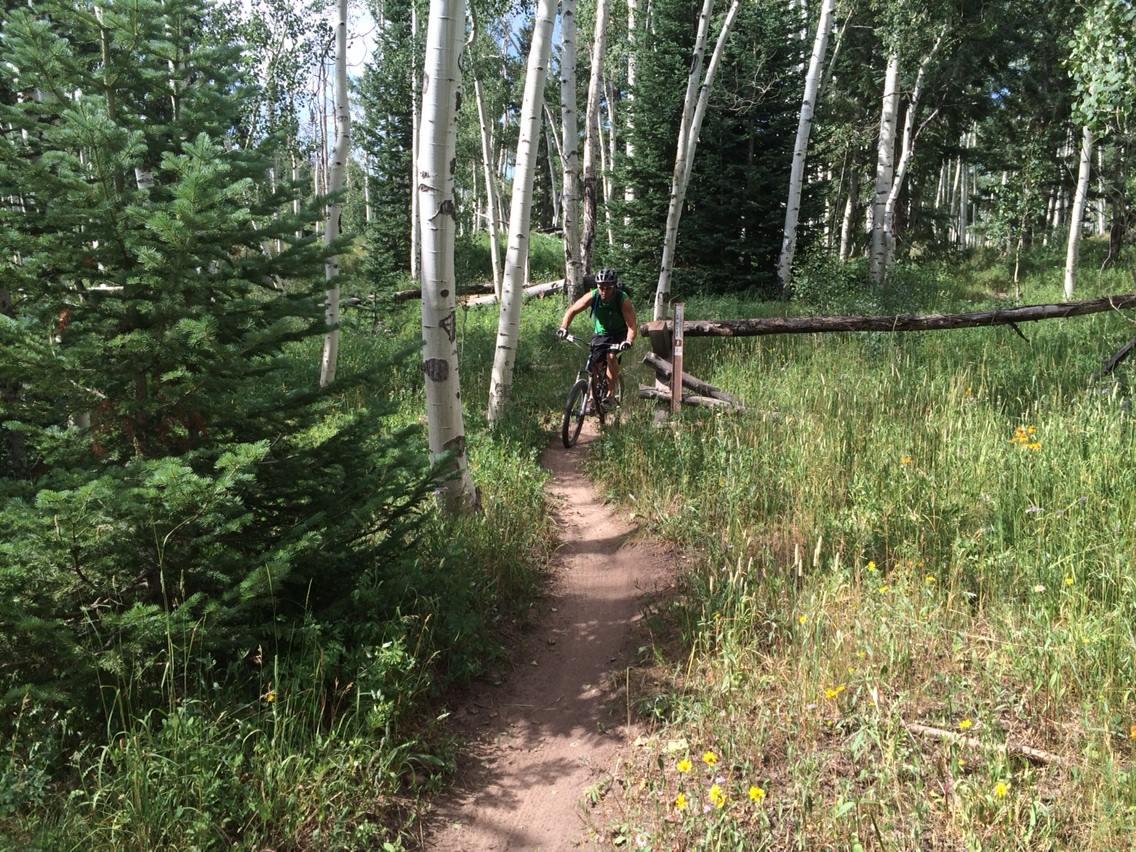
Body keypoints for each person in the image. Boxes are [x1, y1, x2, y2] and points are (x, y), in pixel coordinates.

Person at [556, 268, 637, 403]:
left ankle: (610, 395)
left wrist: (628, 340)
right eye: (601, 287)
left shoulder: (622, 299)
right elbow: (572, 310)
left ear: (614, 286)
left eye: (608, 288)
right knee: (594, 364)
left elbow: (632, 326)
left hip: (619, 334)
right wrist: (563, 327)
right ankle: (592, 400)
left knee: (611, 356)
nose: (604, 291)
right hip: (601, 334)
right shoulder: (593, 296)